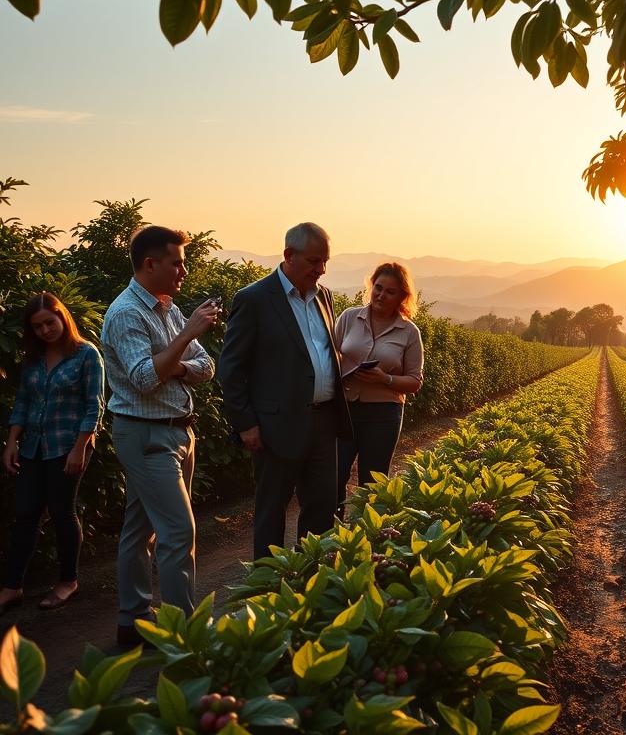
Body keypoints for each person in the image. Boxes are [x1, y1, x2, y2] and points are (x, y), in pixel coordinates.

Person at [101, 225, 219, 647]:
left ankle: (131, 621)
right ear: (150, 264)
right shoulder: (127, 314)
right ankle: (182, 632)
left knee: (140, 529)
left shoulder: (166, 307)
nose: (184, 270)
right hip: (147, 436)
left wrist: (178, 361)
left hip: (175, 432)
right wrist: (187, 336)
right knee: (177, 532)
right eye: (177, 262)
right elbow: (145, 377)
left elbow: (206, 367)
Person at [218, 222, 352, 560]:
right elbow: (231, 368)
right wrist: (246, 423)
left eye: (325, 262)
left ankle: (310, 583)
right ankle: (268, 589)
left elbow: (322, 353)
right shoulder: (254, 299)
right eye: (313, 261)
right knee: (272, 510)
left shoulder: (324, 296)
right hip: (275, 427)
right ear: (288, 255)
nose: (320, 270)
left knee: (322, 507)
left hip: (323, 422)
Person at [0, 293, 104, 613]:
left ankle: (67, 581)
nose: (46, 330)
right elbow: (24, 401)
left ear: (62, 318)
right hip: (34, 447)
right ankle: (12, 587)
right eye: (38, 326)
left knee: (62, 512)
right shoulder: (33, 359)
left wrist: (79, 448)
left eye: (50, 322)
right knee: (26, 513)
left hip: (68, 446)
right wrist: (12, 442)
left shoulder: (86, 355)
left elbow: (94, 406)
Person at [334, 263, 424, 515]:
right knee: (333, 479)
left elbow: (415, 381)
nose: (381, 295)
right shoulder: (350, 317)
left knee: (371, 485)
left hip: (383, 415)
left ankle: (364, 544)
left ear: (402, 297)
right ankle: (329, 543)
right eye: (378, 288)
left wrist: (385, 379)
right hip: (345, 409)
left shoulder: (409, 332)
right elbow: (329, 356)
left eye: (390, 292)